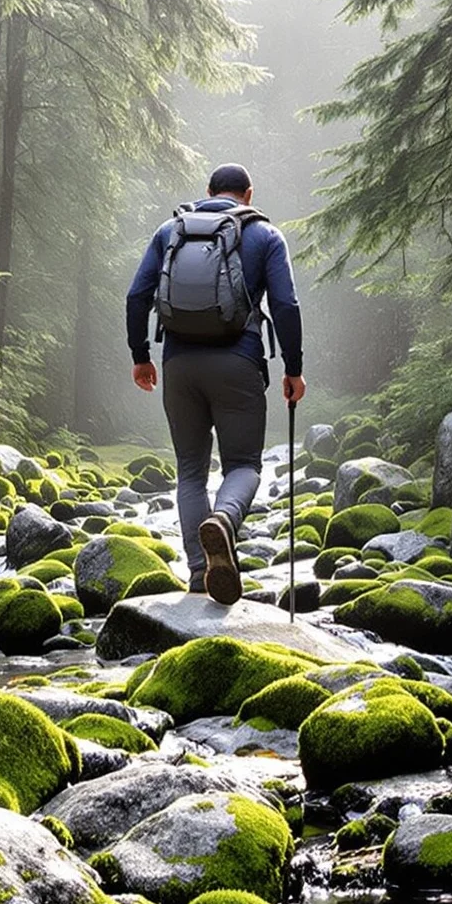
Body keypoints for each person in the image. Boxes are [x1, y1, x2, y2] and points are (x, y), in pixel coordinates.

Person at [126, 163, 305, 604]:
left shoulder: (171, 231)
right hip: (238, 363)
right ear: (248, 193)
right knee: (243, 465)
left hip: (180, 366)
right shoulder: (265, 235)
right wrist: (293, 368)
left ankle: (200, 573)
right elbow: (285, 305)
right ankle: (223, 521)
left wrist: (140, 357)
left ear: (207, 191)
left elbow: (136, 296)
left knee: (189, 470)